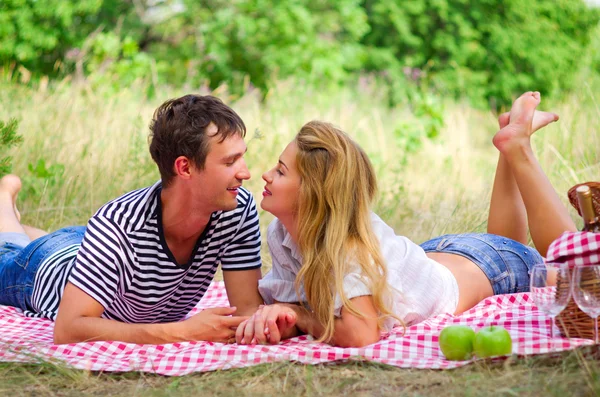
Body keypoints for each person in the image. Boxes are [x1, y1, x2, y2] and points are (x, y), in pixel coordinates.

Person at [235, 91, 577, 348]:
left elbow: (361, 335)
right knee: (508, 244)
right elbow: (287, 303)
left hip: (491, 265)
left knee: (577, 270)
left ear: (311, 194)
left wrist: (300, 317)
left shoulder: (350, 247)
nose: (265, 175)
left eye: (280, 171)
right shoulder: (282, 234)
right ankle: (510, 139)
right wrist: (285, 315)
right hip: (438, 254)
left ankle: (518, 147)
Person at [0, 95, 264, 344]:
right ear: (185, 167)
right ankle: (4, 201)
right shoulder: (117, 227)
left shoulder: (236, 208)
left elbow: (248, 311)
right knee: (9, 250)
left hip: (89, 247)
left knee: (61, 241)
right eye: (230, 162)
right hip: (44, 269)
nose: (246, 173)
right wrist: (183, 331)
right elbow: (68, 329)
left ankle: (28, 226)